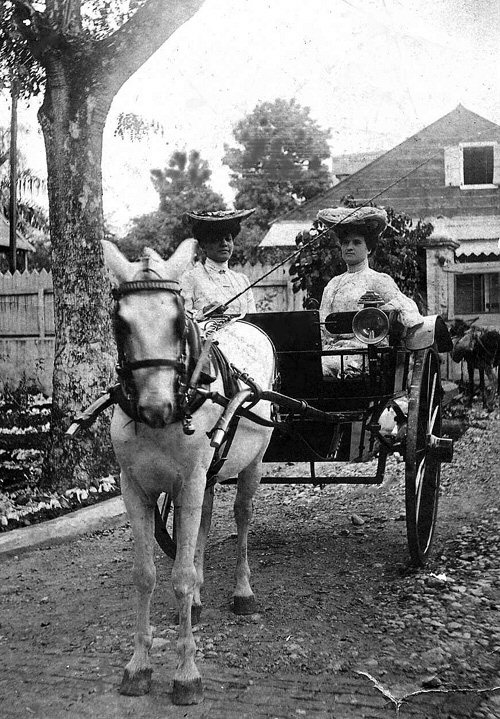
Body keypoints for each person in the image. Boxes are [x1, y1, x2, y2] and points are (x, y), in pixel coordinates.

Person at [316, 206, 424, 377]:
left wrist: (387, 313)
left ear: (369, 249)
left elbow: (408, 310)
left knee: (320, 370)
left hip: (366, 354)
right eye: (345, 243)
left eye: (356, 242)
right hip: (333, 352)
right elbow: (323, 327)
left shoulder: (378, 280)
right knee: (306, 369)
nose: (349, 247)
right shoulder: (333, 285)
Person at [181, 209, 257, 319]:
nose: (224, 244)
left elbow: (253, 320)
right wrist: (203, 312)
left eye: (228, 239)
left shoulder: (242, 281)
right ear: (203, 245)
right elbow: (183, 319)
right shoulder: (190, 278)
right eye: (217, 239)